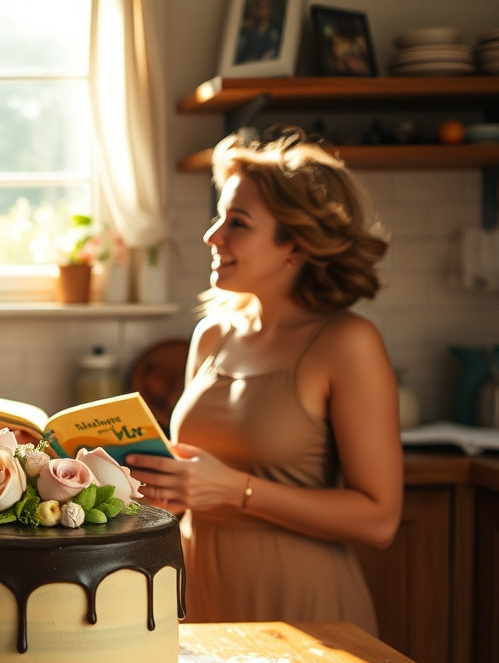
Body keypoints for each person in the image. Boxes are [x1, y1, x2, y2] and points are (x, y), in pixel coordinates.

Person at [127, 128, 402, 635]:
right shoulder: (211, 336)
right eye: (219, 218)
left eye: (238, 223)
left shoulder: (346, 342)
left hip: (305, 609)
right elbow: (187, 487)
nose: (213, 236)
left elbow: (379, 520)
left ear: (295, 244)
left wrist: (235, 490)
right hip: (198, 599)